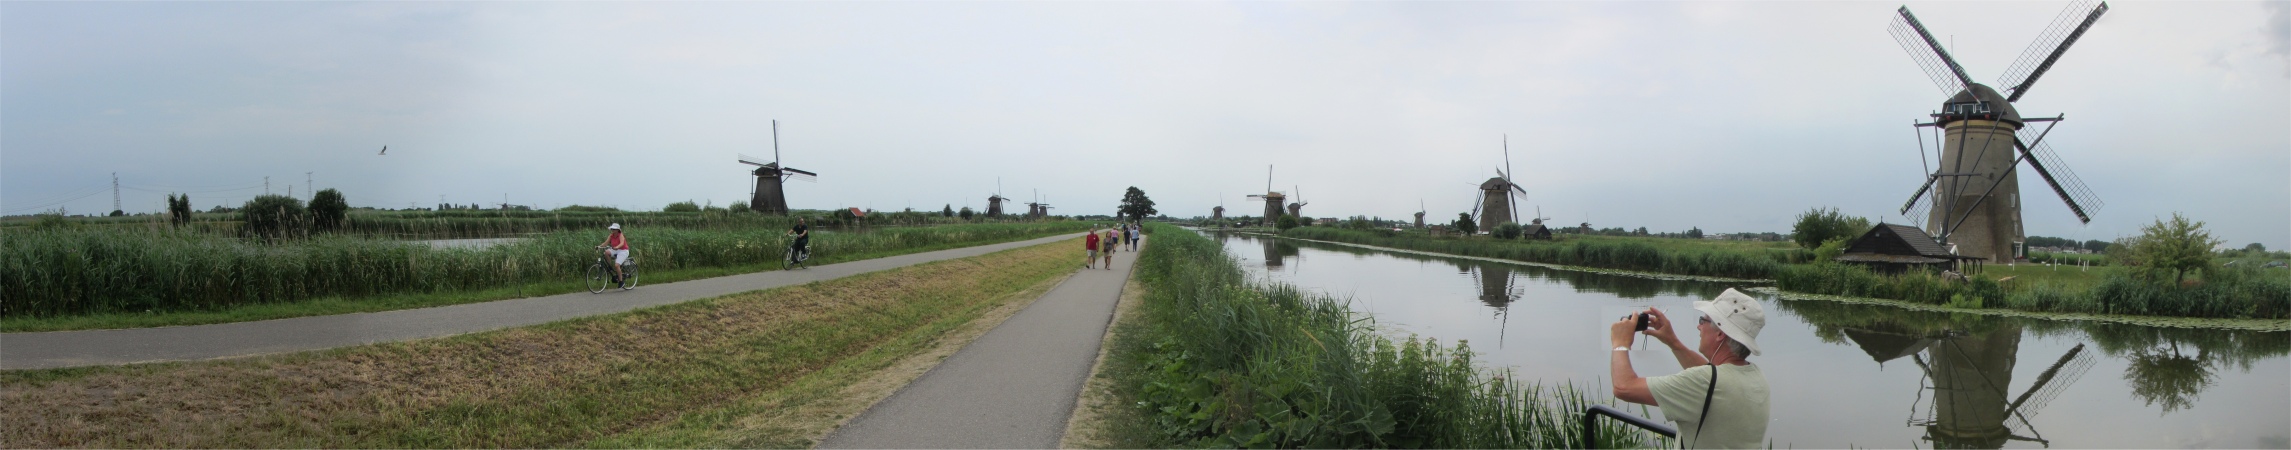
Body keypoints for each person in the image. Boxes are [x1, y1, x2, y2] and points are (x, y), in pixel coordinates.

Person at [1608, 288, 1770, 449]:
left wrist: (1620, 344)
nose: (1699, 327)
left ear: (1720, 334)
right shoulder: (1755, 376)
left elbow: (1624, 387)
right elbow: (1714, 376)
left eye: (1703, 320)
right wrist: (1673, 342)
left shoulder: (1702, 382)